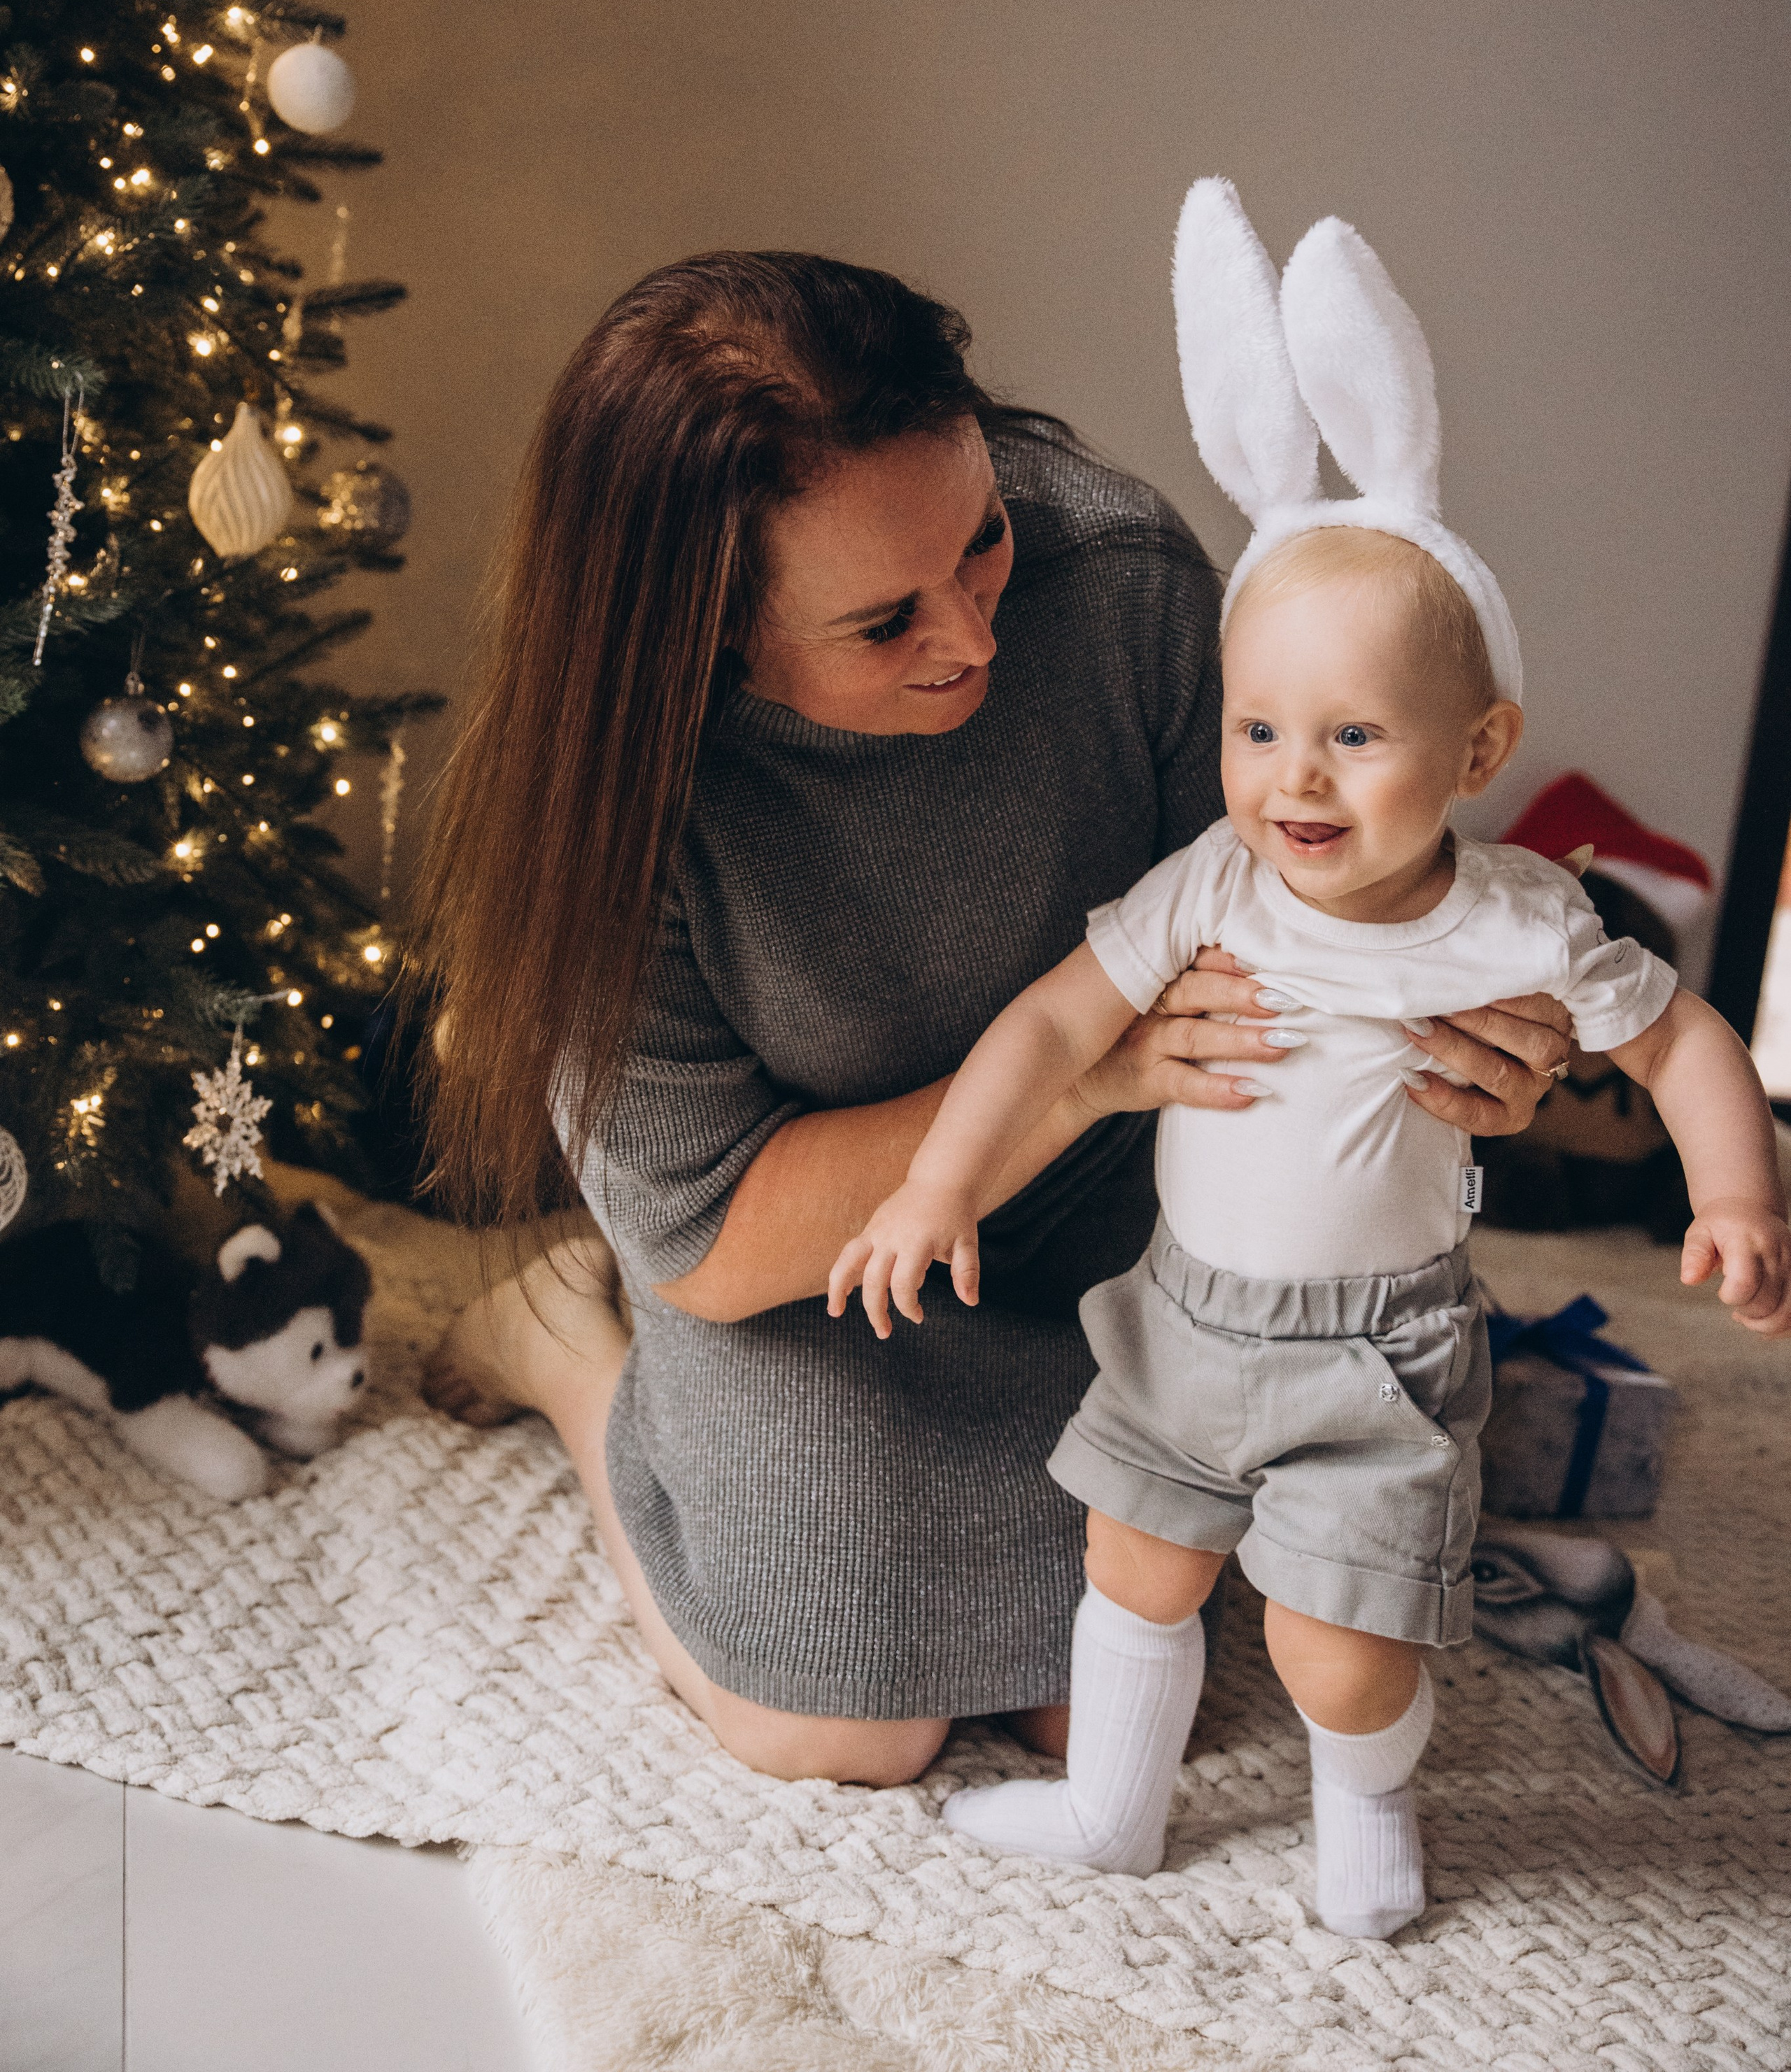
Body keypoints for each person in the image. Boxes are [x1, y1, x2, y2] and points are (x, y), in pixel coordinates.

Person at [417, 246, 1575, 1787]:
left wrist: (1476, 1027)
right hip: (820, 1273)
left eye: (980, 542)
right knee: (838, 1729)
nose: (971, 635)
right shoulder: (618, 787)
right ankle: (575, 1349)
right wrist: (1079, 1075)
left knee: (1110, 1706)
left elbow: (1319, 891)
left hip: (1121, 1236)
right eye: (881, 623)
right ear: (707, 635)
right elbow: (713, 1243)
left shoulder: (1120, 582)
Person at [827, 185, 1791, 1929]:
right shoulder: (1213, 881)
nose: (1295, 779)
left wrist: (1731, 1193)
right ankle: (1112, 1812)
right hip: (1184, 1316)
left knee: (1335, 1646)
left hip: (1376, 1348)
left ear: (1476, 750)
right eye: (1259, 728)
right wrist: (933, 1186)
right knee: (1132, 1568)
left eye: (1353, 736)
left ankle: (1367, 1813)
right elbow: (1051, 1022)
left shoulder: (1512, 920)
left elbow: (1679, 1038)